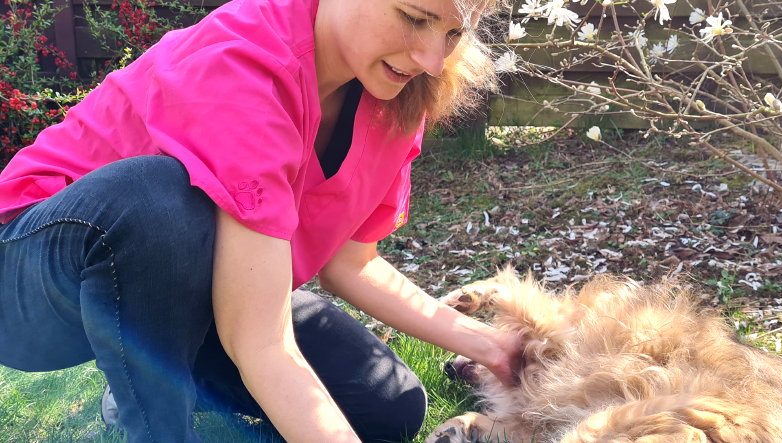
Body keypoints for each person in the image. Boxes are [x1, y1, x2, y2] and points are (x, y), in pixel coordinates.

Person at [0, 0, 522, 442]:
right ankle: (157, 414)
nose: (433, 59)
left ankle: (167, 363)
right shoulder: (244, 58)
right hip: (33, 280)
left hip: (190, 292)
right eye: (414, 17)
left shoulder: (395, 97)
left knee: (389, 405)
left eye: (453, 32)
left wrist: (488, 345)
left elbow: (352, 265)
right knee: (159, 198)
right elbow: (261, 341)